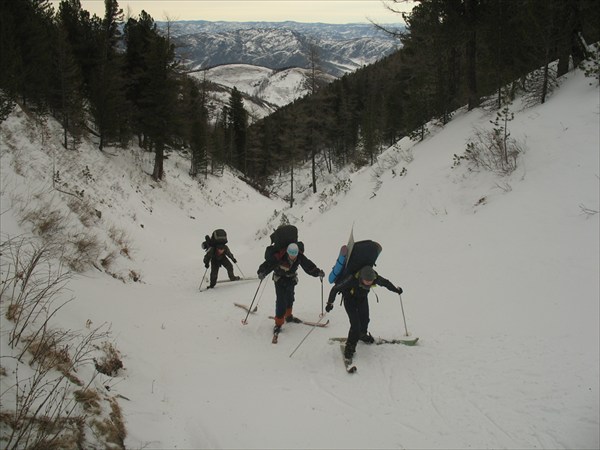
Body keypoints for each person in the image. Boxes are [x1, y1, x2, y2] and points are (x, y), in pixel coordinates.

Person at [325, 265, 402, 359]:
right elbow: (335, 289)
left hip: (362, 299)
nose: (369, 283)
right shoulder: (351, 279)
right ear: (361, 278)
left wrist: (396, 290)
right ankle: (350, 347)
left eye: (371, 282)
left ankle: (362, 334)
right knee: (355, 325)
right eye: (367, 281)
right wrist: (330, 303)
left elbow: (386, 283)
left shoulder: (374, 277)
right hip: (349, 301)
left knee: (365, 319)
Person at [257, 242, 325, 334]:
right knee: (281, 301)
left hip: (291, 279)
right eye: (291, 255)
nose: (293, 257)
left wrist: (317, 272)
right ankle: (278, 324)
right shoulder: (279, 256)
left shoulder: (299, 256)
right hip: (279, 279)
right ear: (287, 252)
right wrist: (262, 272)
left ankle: (288, 316)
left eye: (295, 255)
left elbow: (307, 265)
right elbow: (268, 264)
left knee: (290, 298)